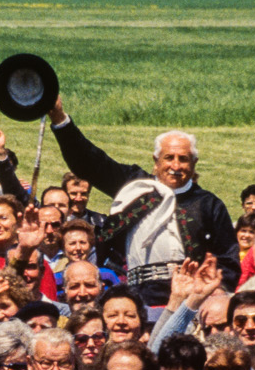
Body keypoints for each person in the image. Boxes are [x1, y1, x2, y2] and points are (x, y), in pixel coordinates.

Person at [47, 98, 238, 303]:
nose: (176, 165)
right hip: (139, 296)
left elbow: (228, 259)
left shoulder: (208, 204)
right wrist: (59, 119)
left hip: (189, 297)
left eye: (183, 159)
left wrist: (217, 290)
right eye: (169, 157)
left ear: (194, 163)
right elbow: (90, 162)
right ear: (156, 162)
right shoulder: (134, 186)